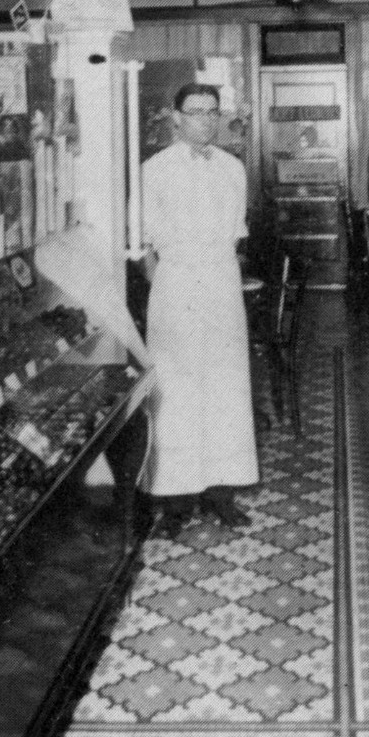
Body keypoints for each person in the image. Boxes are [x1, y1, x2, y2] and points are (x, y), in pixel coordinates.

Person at [140, 83, 258, 536]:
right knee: (176, 390)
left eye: (213, 113)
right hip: (175, 286)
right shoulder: (154, 170)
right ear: (175, 117)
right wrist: (167, 290)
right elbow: (146, 243)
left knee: (226, 384)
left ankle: (221, 493)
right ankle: (175, 499)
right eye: (196, 113)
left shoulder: (233, 169)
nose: (206, 121)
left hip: (222, 283)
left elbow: (233, 233)